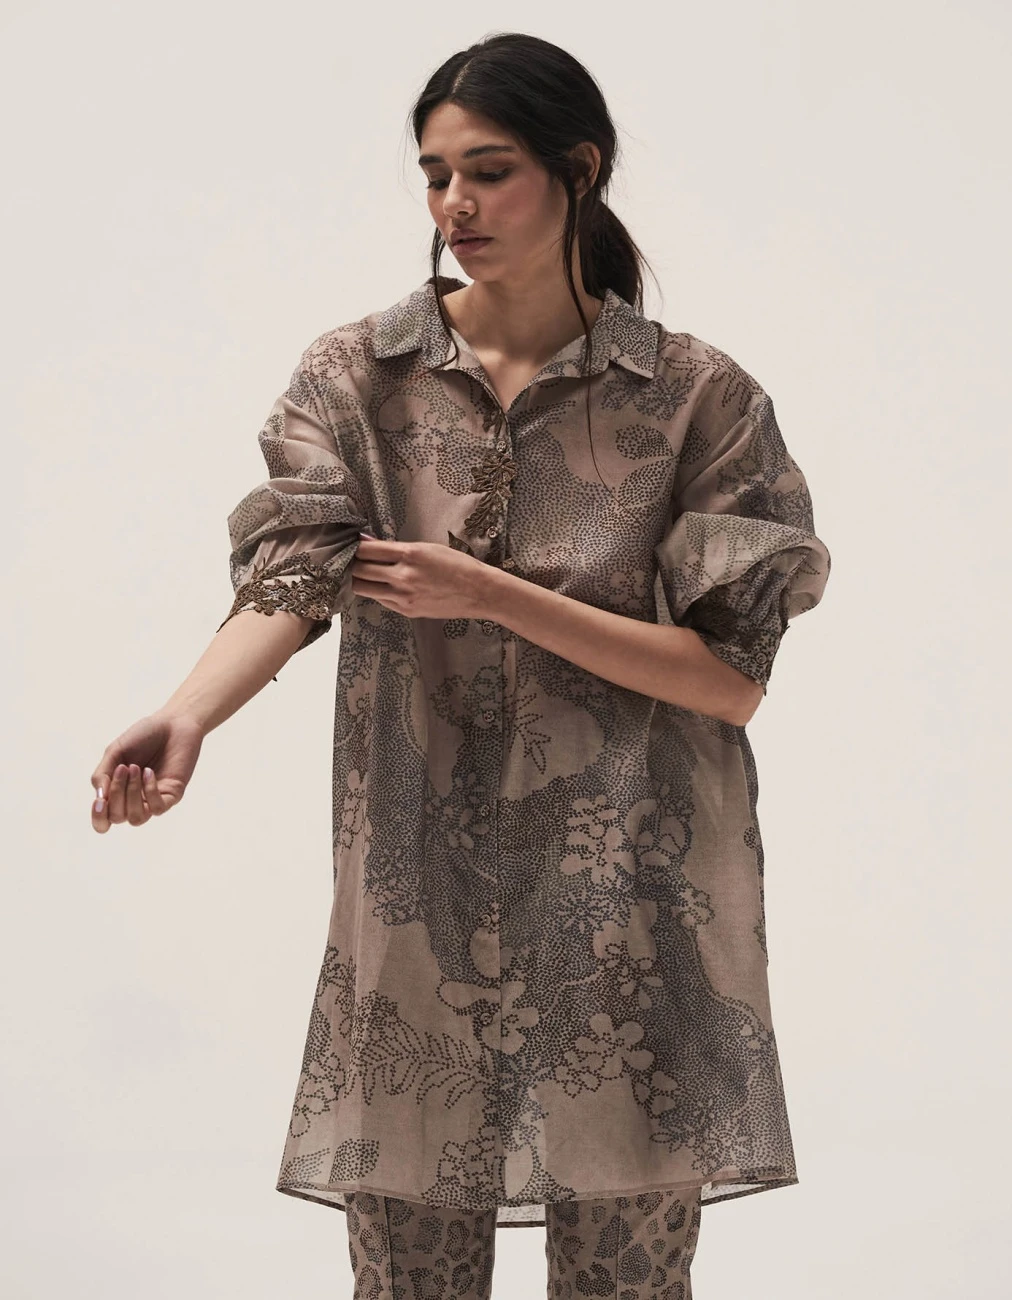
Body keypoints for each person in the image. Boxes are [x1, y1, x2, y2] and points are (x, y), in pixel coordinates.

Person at [89, 31, 831, 1300]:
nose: (454, 206)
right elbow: (293, 575)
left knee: (628, 1285)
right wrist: (188, 713)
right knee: (406, 1280)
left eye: (488, 172)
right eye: (435, 175)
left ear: (578, 170)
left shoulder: (694, 397)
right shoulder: (358, 376)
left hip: (633, 912)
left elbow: (728, 677)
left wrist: (490, 593)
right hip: (417, 900)